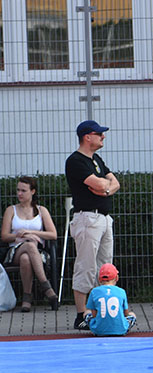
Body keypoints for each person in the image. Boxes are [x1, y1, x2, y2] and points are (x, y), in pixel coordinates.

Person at [66, 119, 120, 331]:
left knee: (104, 266)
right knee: (86, 266)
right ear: (87, 137)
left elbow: (114, 183)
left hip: (104, 218)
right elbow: (99, 183)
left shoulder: (96, 158)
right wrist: (104, 186)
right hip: (88, 218)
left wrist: (105, 189)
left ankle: (99, 313)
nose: (103, 136)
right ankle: (81, 315)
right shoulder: (75, 161)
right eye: (99, 134)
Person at [1, 176, 59, 312]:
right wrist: (21, 236)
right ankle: (47, 287)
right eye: (18, 190)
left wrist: (29, 232)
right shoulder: (11, 210)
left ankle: (27, 298)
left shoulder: (41, 210)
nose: (19, 194)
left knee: (26, 258)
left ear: (32, 191)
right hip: (14, 251)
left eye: (23, 191)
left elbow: (53, 234)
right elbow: (4, 236)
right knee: (29, 246)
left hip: (38, 253)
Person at [83, 263, 136, 337]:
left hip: (99, 331)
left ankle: (98, 328)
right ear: (117, 278)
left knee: (86, 312)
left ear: (99, 279)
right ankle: (118, 327)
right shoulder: (121, 291)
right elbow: (125, 313)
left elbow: (94, 314)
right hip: (121, 330)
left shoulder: (94, 291)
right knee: (132, 315)